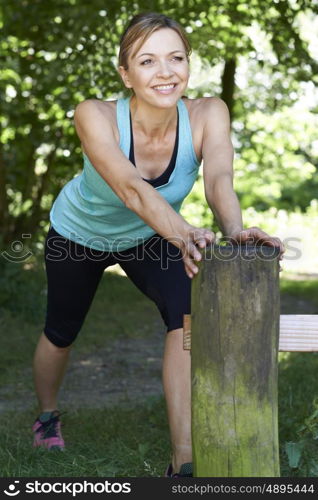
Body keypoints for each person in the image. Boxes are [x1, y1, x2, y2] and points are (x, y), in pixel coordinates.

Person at [32, 12, 284, 477]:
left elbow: (220, 180)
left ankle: (182, 459)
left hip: (150, 236)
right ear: (125, 74)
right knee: (62, 333)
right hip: (79, 235)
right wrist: (186, 232)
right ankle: (46, 416)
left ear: (189, 64)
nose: (165, 72)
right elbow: (130, 188)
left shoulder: (209, 113)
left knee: (185, 315)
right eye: (147, 61)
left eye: (176, 58)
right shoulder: (95, 114)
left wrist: (234, 231)